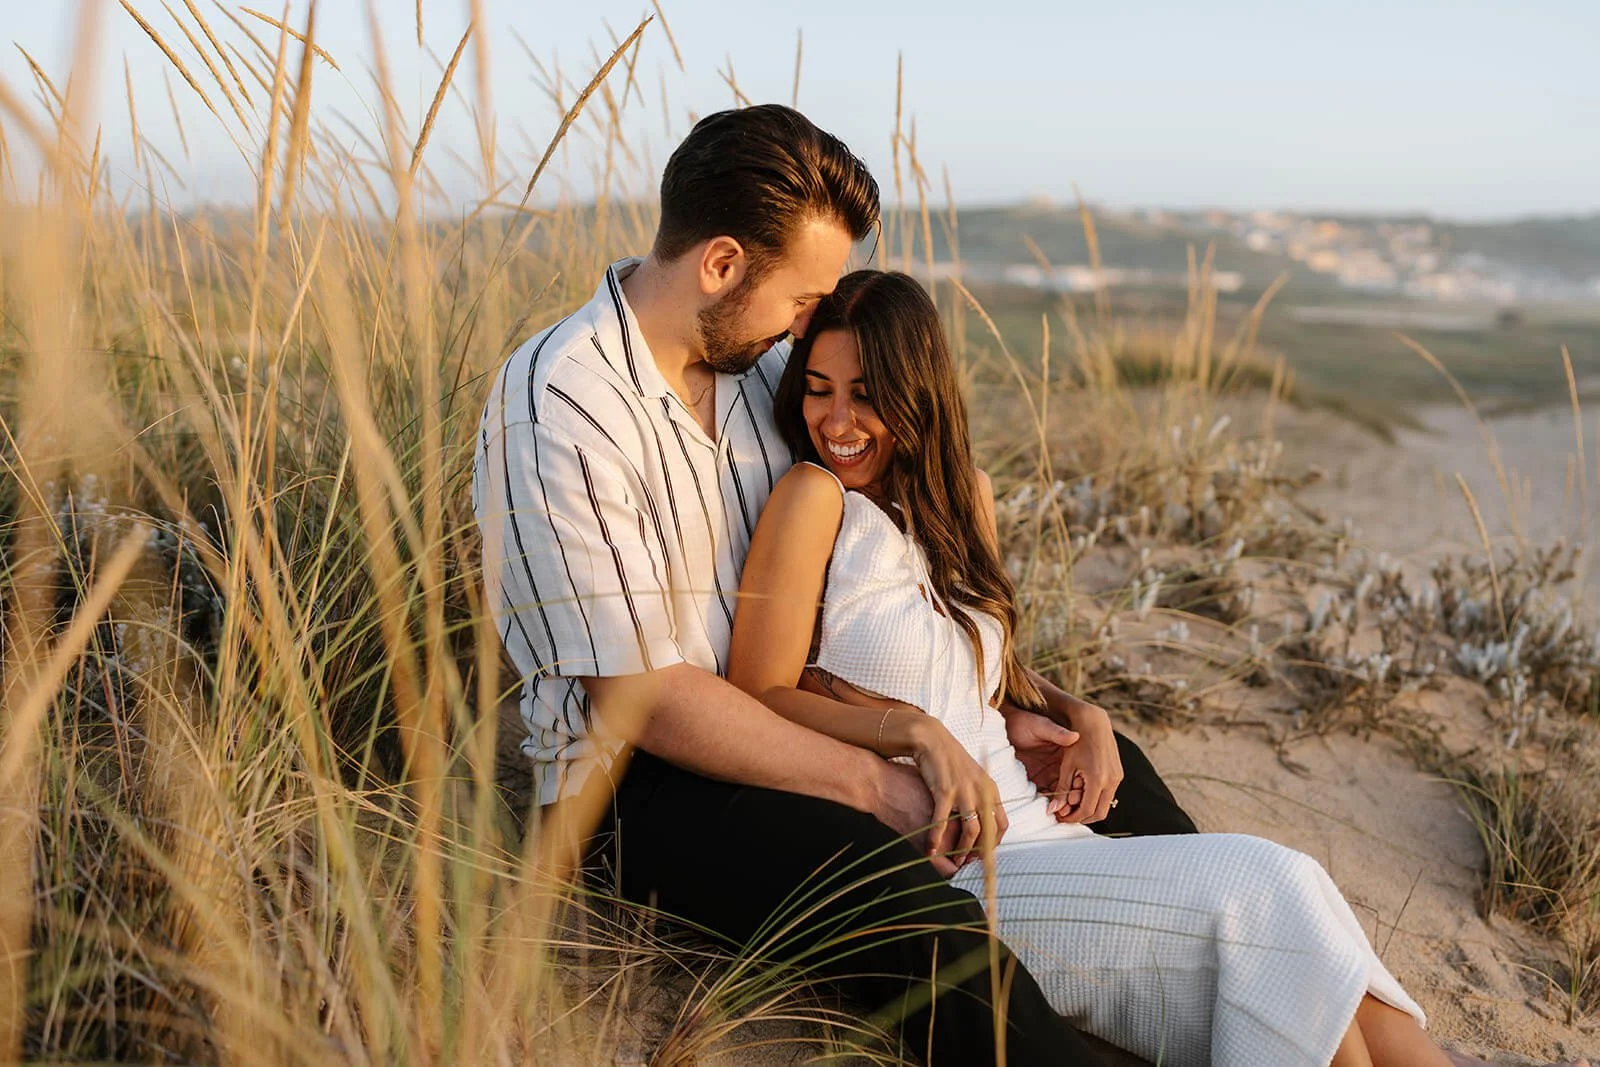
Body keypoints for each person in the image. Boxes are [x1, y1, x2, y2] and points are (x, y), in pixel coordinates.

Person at [473, 104, 1200, 1065]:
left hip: (814, 713)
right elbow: (642, 699)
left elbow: (915, 559)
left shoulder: (770, 366)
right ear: (723, 264)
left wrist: (1021, 704)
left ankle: (1230, 955)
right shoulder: (561, 404)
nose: (810, 319)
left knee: (1112, 775)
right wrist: (874, 779)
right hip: (645, 787)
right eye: (801, 295)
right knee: (924, 930)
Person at [725, 268, 1586, 1067]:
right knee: (1273, 891)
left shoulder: (965, 498)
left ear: (918, 395)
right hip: (971, 872)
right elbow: (756, 692)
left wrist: (1085, 716)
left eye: (866, 397)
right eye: (818, 390)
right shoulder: (814, 500)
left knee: (1298, 921)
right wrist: (907, 727)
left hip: (1051, 836)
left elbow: (986, 671)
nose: (837, 421)